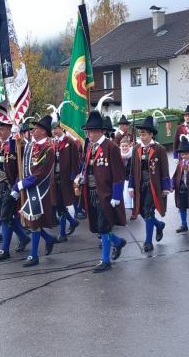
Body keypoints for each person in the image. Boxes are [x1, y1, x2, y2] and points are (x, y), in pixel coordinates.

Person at [79, 110, 127, 272]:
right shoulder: (90, 147)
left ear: (99, 131)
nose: (88, 134)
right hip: (91, 191)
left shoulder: (111, 147)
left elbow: (119, 174)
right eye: (87, 131)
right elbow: (88, 166)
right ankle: (118, 242)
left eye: (90, 131)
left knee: (104, 226)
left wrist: (117, 195)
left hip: (106, 194)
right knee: (98, 227)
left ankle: (105, 260)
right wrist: (82, 177)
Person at [11, 115, 58, 268]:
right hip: (28, 187)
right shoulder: (31, 145)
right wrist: (15, 135)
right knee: (30, 222)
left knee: (34, 222)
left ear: (44, 132)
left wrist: (21, 185)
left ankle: (34, 255)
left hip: (39, 190)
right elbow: (16, 152)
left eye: (36, 128)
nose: (33, 130)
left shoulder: (48, 149)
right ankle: (49, 239)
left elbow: (40, 174)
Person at [0, 121, 31, 262]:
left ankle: (5, 249)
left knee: (5, 218)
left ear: (9, 129)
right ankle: (26, 237)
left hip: (10, 187)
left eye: (1, 129)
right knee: (9, 216)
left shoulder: (17, 144)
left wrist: (16, 188)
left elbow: (21, 169)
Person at [128, 116, 170, 252]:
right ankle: (158, 225)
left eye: (144, 133)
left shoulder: (159, 149)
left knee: (148, 210)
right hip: (140, 185)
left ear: (151, 134)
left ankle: (148, 242)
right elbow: (132, 169)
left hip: (154, 186)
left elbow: (165, 170)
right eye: (140, 133)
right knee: (140, 211)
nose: (142, 136)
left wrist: (166, 187)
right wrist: (130, 185)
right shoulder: (136, 149)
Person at [51, 117, 80, 242]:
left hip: (66, 179)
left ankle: (62, 233)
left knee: (62, 204)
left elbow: (75, 162)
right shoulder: (53, 143)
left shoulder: (70, 142)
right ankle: (72, 222)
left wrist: (74, 178)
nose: (54, 131)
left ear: (62, 128)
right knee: (58, 204)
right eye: (52, 129)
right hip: (55, 178)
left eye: (56, 128)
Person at [120, 137, 133, 211]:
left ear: (129, 146)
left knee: (131, 197)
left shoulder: (132, 155)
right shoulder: (119, 155)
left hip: (129, 179)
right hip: (122, 179)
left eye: (126, 146)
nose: (124, 148)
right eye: (123, 146)